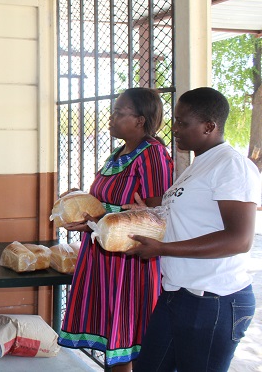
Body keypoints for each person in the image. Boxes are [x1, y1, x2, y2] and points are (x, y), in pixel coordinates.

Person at [127, 87, 260, 372]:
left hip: (214, 301)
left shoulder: (231, 166)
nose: (174, 129)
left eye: (182, 122)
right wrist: (140, 211)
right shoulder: (197, 165)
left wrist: (162, 249)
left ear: (209, 126)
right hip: (177, 294)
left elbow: (239, 239)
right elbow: (180, 213)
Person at [57, 88, 175, 371]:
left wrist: (101, 217)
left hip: (130, 262)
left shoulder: (153, 155)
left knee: (126, 340)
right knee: (111, 338)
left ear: (140, 120)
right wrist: (84, 205)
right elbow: (108, 203)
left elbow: (156, 216)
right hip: (101, 255)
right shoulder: (119, 153)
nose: (111, 118)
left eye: (120, 113)